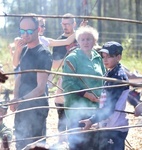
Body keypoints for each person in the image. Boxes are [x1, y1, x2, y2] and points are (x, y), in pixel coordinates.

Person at [9, 15, 52, 150]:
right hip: (23, 104)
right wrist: (16, 97)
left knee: (35, 146)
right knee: (20, 142)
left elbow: (40, 88)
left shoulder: (43, 53)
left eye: (29, 31)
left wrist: (20, 100)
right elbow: (19, 75)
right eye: (22, 31)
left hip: (36, 107)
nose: (25, 35)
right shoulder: (25, 49)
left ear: (38, 29)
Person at [80, 41, 129, 150]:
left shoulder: (117, 78)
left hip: (115, 128)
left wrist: (91, 120)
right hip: (109, 126)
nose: (105, 60)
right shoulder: (110, 73)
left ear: (119, 57)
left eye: (110, 56)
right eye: (104, 56)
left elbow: (109, 108)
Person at [62, 25, 105, 150]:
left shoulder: (97, 58)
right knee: (79, 144)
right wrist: (87, 95)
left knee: (94, 144)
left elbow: (104, 79)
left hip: (95, 109)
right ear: (78, 41)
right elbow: (68, 83)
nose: (86, 42)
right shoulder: (72, 58)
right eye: (83, 39)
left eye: (89, 39)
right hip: (77, 110)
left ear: (94, 41)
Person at [52, 13, 78, 143]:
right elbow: (55, 63)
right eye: (63, 24)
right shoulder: (60, 41)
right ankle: (62, 136)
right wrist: (70, 58)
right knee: (59, 100)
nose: (65, 26)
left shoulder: (81, 37)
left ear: (74, 24)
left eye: (68, 24)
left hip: (83, 76)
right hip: (66, 75)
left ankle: (76, 136)